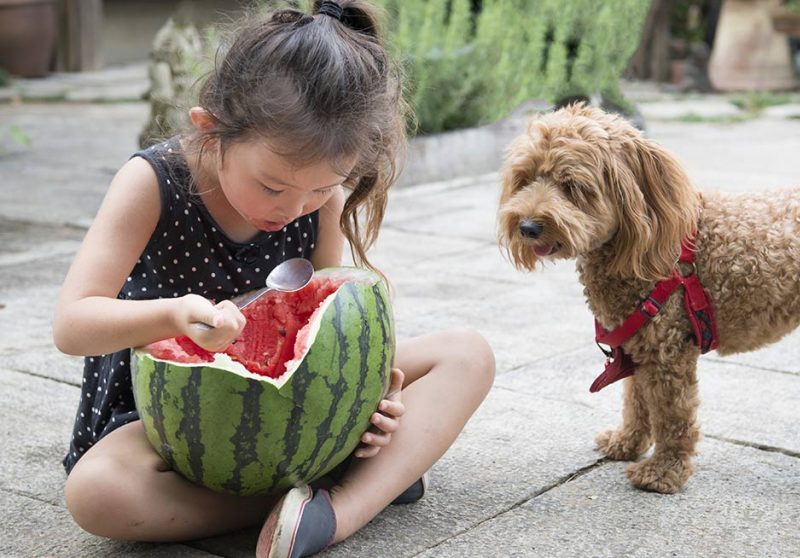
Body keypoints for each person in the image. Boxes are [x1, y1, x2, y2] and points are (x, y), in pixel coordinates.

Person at [52, 1, 495, 557]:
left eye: (319, 190)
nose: (295, 208)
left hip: (295, 409)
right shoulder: (151, 183)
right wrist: (171, 317)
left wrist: (374, 398)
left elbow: (328, 330)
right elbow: (72, 325)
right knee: (95, 495)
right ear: (210, 131)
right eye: (272, 187)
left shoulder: (320, 198)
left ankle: (338, 514)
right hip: (164, 422)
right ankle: (345, 488)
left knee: (468, 354)